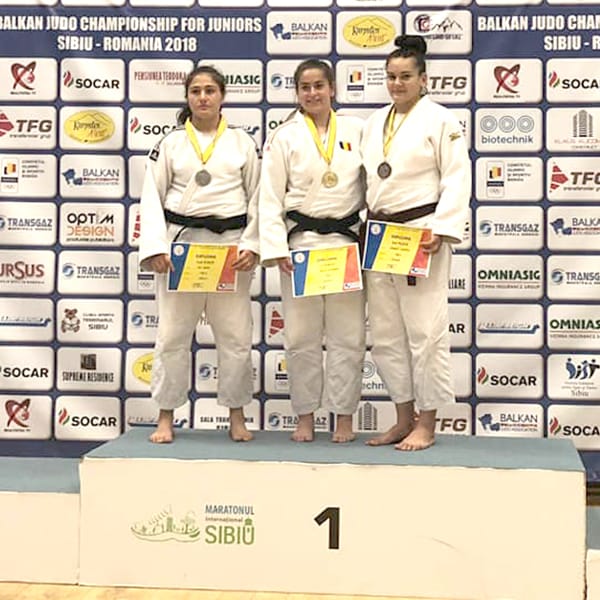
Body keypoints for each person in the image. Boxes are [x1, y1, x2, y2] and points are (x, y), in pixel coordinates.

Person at [138, 65, 260, 444]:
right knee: (172, 336)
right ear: (187, 97)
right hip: (181, 250)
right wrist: (156, 247)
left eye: (210, 90)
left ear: (222, 96)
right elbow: (151, 197)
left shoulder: (242, 142)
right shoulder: (171, 143)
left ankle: (237, 415)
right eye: (196, 91)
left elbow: (258, 197)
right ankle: (165, 416)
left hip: (230, 251)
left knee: (235, 337)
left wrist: (252, 245)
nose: (203, 97)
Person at [360, 35, 470, 451]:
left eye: (405, 76)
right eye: (391, 76)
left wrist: (443, 227)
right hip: (379, 236)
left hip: (421, 235)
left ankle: (427, 423)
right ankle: (403, 417)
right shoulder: (374, 123)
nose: (397, 83)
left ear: (424, 79)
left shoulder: (441, 121)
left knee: (425, 332)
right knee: (386, 334)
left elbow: (456, 176)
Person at [259, 59, 366, 443]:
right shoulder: (284, 137)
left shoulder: (357, 130)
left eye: (319, 85)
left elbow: (375, 187)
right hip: (300, 248)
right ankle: (304, 416)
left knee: (348, 338)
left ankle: (344, 416)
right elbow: (269, 197)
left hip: (344, 245)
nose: (312, 93)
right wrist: (276, 247)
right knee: (301, 338)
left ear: (332, 88)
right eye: (304, 87)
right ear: (297, 93)